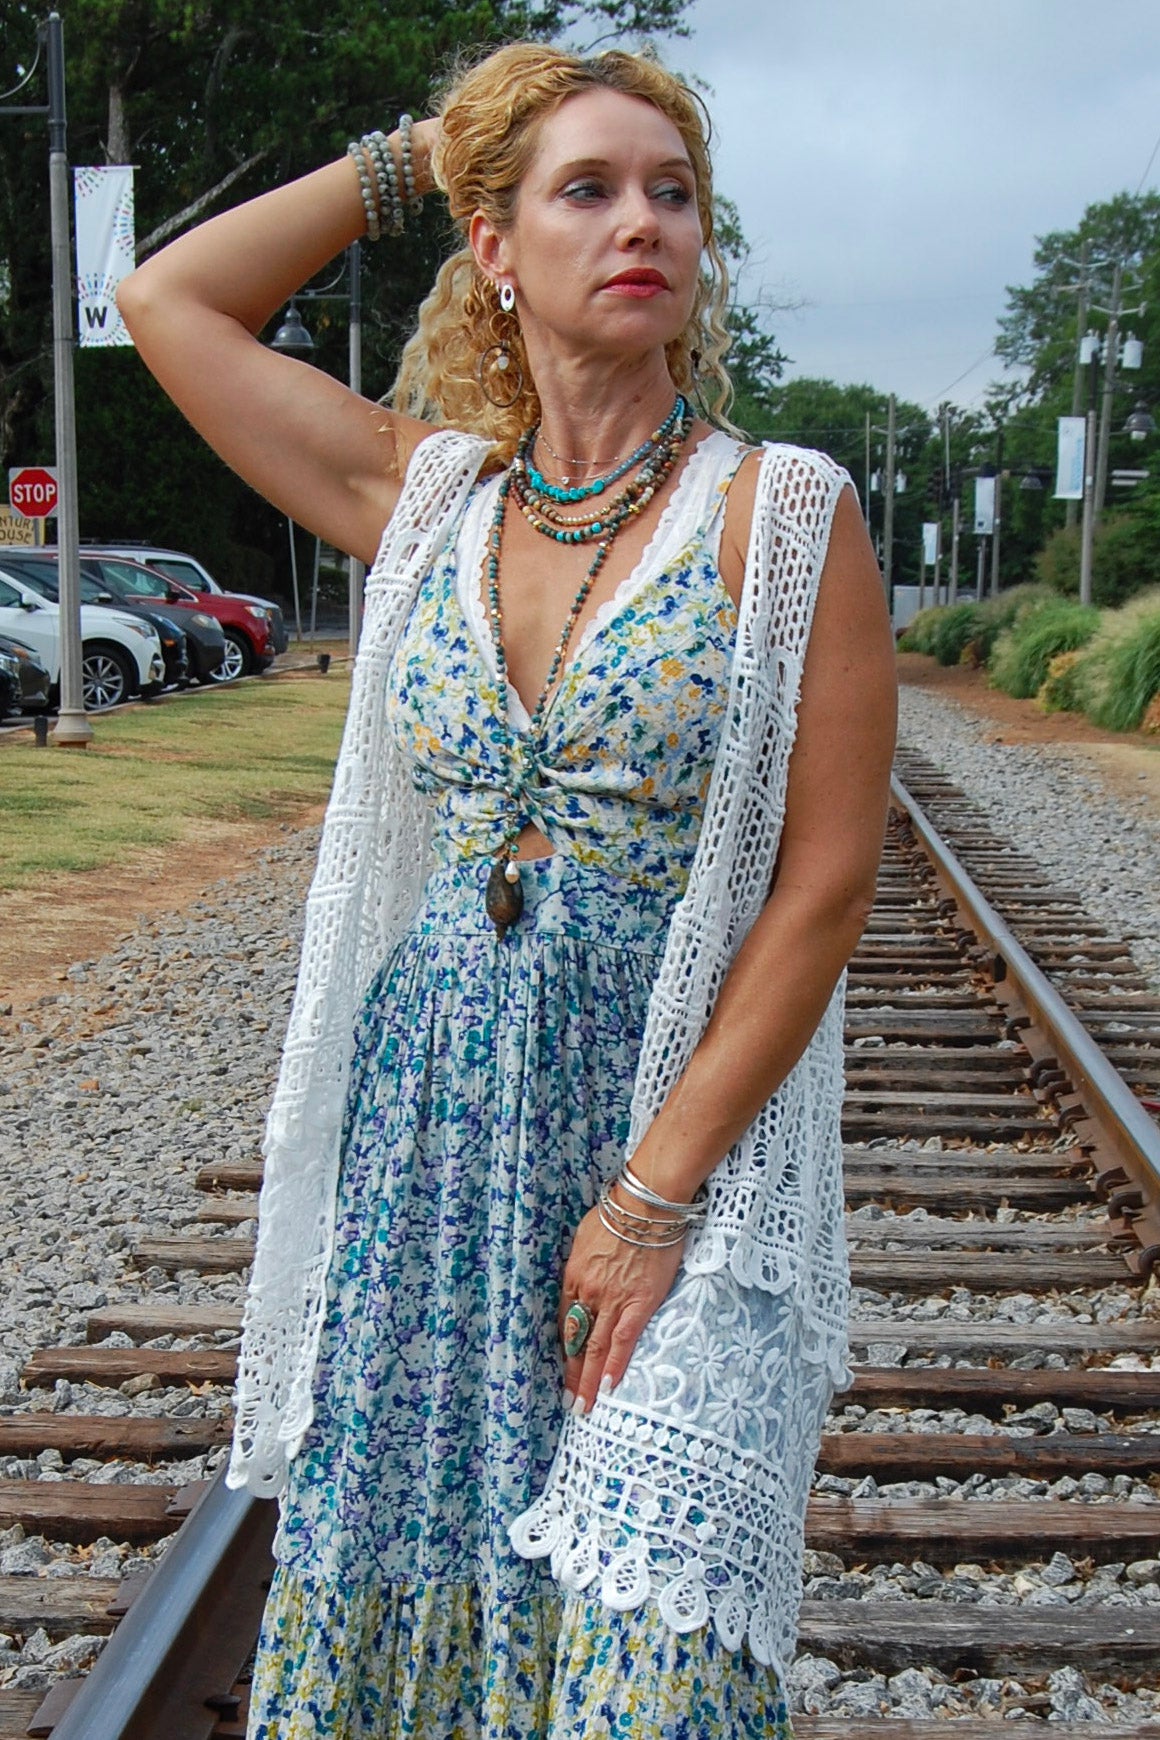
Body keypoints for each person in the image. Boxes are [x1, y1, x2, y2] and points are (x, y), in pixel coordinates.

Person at [117, 40, 896, 1740]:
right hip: (435, 1124)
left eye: (674, 195)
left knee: (648, 1659)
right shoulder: (426, 496)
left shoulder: (782, 511)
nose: (644, 224)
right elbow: (168, 301)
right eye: (587, 190)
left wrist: (652, 1200)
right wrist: (423, 150)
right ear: (495, 245)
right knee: (426, 1600)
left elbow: (826, 882)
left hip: (663, 1120)